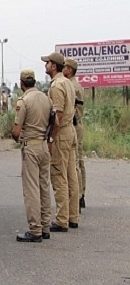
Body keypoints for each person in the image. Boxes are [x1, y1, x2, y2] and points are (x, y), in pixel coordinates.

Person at [12, 69, 52, 242]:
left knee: (32, 190)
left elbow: (16, 131)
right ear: (34, 81)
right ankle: (45, 227)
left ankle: (35, 230)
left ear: (21, 84)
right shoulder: (46, 98)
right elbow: (55, 122)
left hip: (31, 148)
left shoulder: (24, 101)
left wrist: (17, 137)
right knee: (44, 187)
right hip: (44, 146)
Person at [41, 51, 80, 232]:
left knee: (59, 175)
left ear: (54, 66)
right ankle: (73, 216)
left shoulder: (57, 86)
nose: (45, 65)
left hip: (62, 133)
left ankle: (62, 219)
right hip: (71, 132)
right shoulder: (68, 83)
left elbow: (58, 115)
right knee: (72, 175)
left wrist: (51, 138)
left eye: (47, 63)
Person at [63, 57, 86, 211]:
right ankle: (82, 193)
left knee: (75, 162)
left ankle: (77, 196)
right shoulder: (76, 84)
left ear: (69, 70)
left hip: (74, 124)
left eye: (64, 67)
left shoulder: (72, 86)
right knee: (79, 160)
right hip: (78, 124)